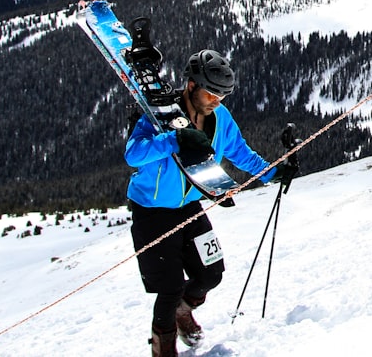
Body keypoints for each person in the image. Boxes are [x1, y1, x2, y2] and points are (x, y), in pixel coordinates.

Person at [125, 49, 297, 356]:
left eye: (222, 95)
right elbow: (133, 154)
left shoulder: (220, 118)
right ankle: (163, 348)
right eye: (211, 93)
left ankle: (182, 312)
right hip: (152, 212)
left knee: (210, 273)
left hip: (190, 207)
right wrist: (175, 140)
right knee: (169, 287)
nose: (217, 101)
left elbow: (240, 153)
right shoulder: (160, 114)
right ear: (191, 86)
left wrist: (272, 173)